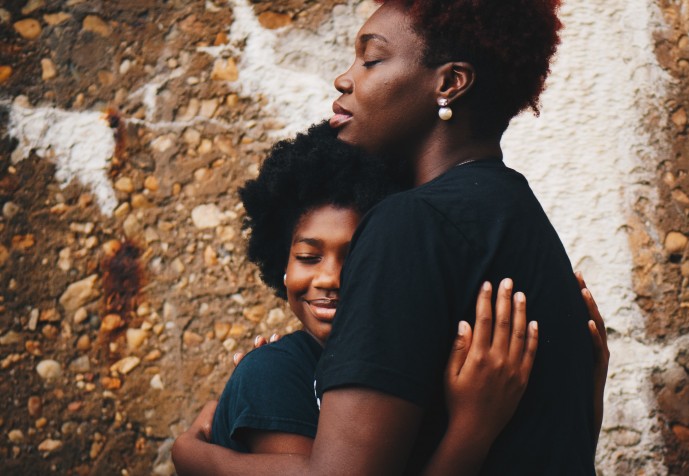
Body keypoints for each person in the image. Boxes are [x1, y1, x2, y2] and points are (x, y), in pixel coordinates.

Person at [173, 1, 606, 474]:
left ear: (448, 83)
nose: (345, 79)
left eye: (371, 59)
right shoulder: (518, 215)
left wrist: (200, 459)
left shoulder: (410, 223)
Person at [203, 122, 540, 472]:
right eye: (308, 257)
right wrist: (473, 428)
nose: (330, 278)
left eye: (357, 257)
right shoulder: (273, 373)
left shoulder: (412, 364)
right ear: (282, 265)